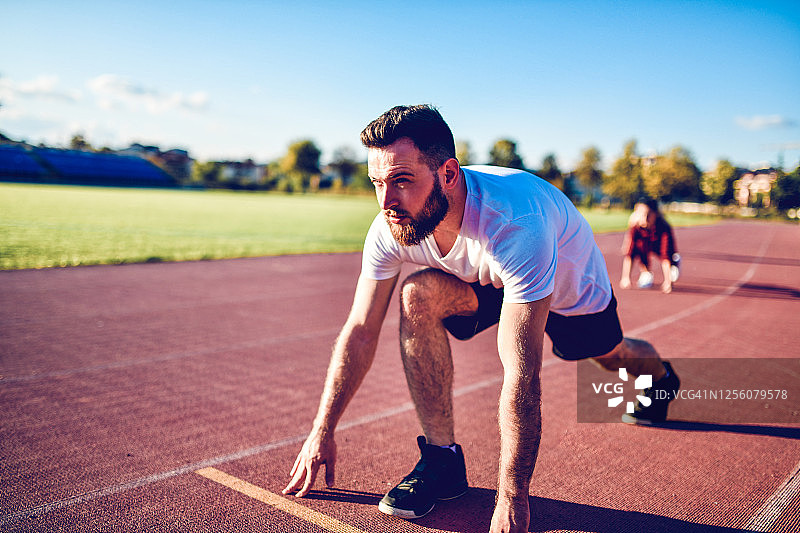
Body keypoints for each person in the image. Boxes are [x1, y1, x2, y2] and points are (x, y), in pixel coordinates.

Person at [283, 105, 680, 533]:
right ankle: (442, 460)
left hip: (567, 286)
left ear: (448, 174)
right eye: (377, 182)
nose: (386, 202)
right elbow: (361, 330)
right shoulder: (390, 227)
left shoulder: (516, 222)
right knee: (417, 295)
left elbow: (520, 372)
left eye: (401, 181)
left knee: (611, 355)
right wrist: (322, 429)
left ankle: (661, 377)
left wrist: (512, 498)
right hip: (486, 275)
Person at [620, 198, 680, 293]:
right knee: (639, 248)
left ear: (655, 214)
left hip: (658, 244)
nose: (644, 219)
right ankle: (646, 272)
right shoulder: (636, 227)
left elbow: (665, 255)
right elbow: (630, 254)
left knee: (671, 266)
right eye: (640, 214)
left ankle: (675, 263)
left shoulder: (664, 228)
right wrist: (625, 278)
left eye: (648, 215)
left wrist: (668, 282)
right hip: (645, 244)